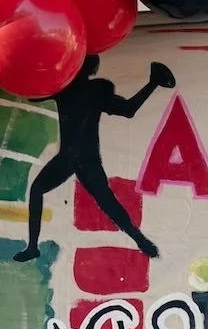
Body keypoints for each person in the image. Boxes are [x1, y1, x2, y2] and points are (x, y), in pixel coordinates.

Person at [13, 55, 176, 263]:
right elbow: (128, 110)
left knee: (101, 201)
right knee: (106, 202)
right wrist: (153, 83)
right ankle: (142, 241)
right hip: (81, 157)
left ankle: (33, 247)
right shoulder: (87, 89)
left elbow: (34, 95)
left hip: (74, 157)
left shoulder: (68, 88)